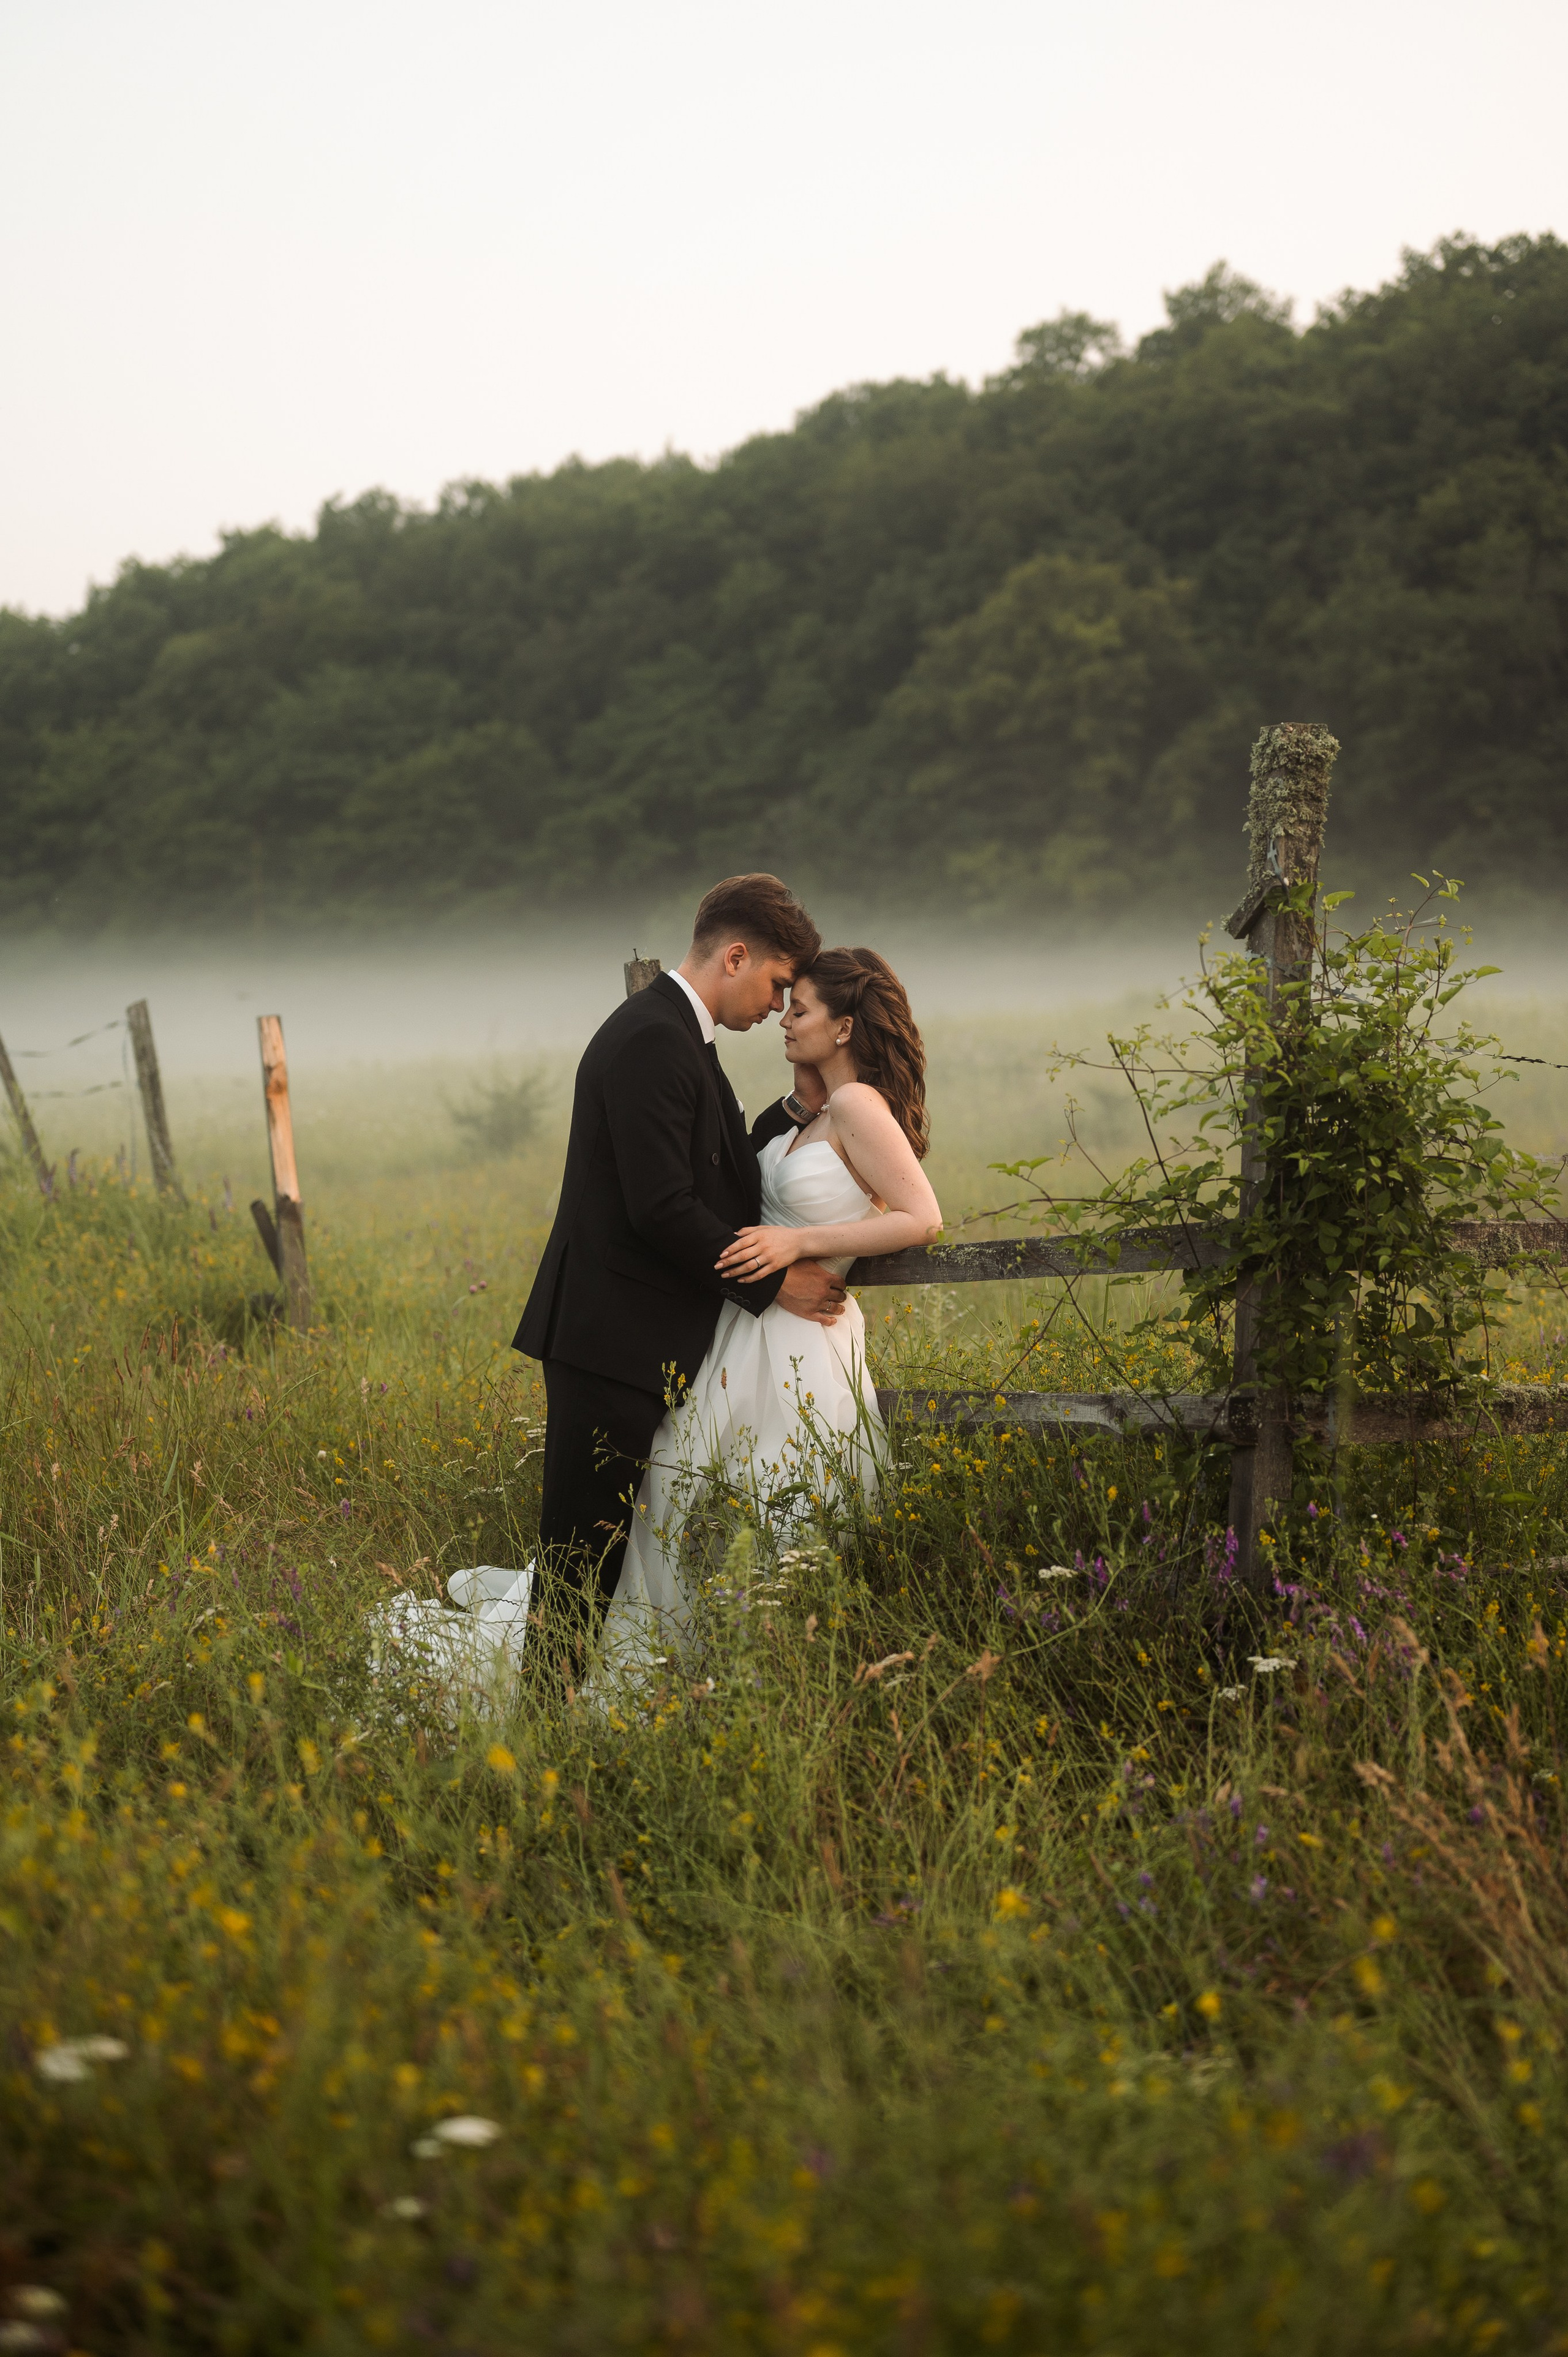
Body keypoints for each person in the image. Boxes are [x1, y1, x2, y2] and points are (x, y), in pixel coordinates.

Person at [511, 874, 845, 1648]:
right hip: (611, 1341)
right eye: (777, 984)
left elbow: (711, 1165)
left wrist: (794, 1110)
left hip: (628, 1338)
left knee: (603, 1559)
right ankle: (540, 1734)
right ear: (735, 956)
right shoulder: (653, 1038)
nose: (775, 1007)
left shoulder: (677, 1033)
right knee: (579, 1561)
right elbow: (659, 1206)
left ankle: (557, 1721)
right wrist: (775, 1280)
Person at [600, 945, 941, 1673]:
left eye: (802, 1006)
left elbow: (921, 1217)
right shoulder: (814, 1112)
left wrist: (799, 1243)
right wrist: (799, 1089)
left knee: (773, 1506)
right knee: (686, 1492)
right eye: (785, 999)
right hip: (743, 1335)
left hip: (799, 1347)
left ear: (845, 1026)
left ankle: (763, 1665)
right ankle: (683, 1663)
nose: (784, 1015)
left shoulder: (857, 1105)